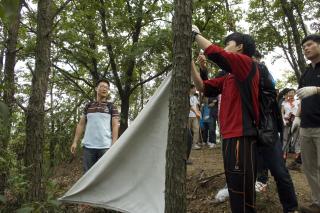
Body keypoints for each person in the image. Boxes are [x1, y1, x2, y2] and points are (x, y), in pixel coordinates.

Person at [191, 27, 259, 213]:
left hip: (242, 135)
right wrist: (190, 63)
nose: (224, 47)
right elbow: (203, 87)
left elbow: (218, 54)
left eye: (227, 44)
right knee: (234, 186)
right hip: (229, 136)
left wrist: (196, 35)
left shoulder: (246, 64)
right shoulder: (228, 76)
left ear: (240, 47)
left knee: (241, 188)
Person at [252, 51, 299, 212]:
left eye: (255, 59)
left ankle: (290, 208)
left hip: (267, 129)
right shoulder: (235, 74)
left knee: (279, 171)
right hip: (247, 129)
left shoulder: (262, 71)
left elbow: (269, 95)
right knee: (251, 166)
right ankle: (258, 185)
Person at [293, 34, 320, 213]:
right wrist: (297, 116)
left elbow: (311, 92)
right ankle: (318, 202)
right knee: (309, 167)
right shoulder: (305, 73)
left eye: (309, 45)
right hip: (306, 126)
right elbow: (302, 98)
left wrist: (317, 89)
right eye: (304, 47)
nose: (306, 49)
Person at [70, 79, 119, 173]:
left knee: (103, 175)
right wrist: (75, 142)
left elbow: (115, 126)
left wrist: (114, 144)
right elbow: (81, 124)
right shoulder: (88, 106)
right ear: (96, 88)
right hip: (88, 147)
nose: (104, 89)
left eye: (107, 88)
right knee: (87, 175)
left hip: (105, 147)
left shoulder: (111, 106)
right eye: (102, 86)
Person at [189, 84, 201, 150]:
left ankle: (194, 144)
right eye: (194, 88)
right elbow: (189, 106)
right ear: (191, 89)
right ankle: (187, 144)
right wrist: (195, 112)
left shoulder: (195, 97)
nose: (195, 90)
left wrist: (198, 113)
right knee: (188, 130)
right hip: (188, 116)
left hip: (195, 116)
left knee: (196, 129)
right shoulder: (187, 96)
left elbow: (196, 106)